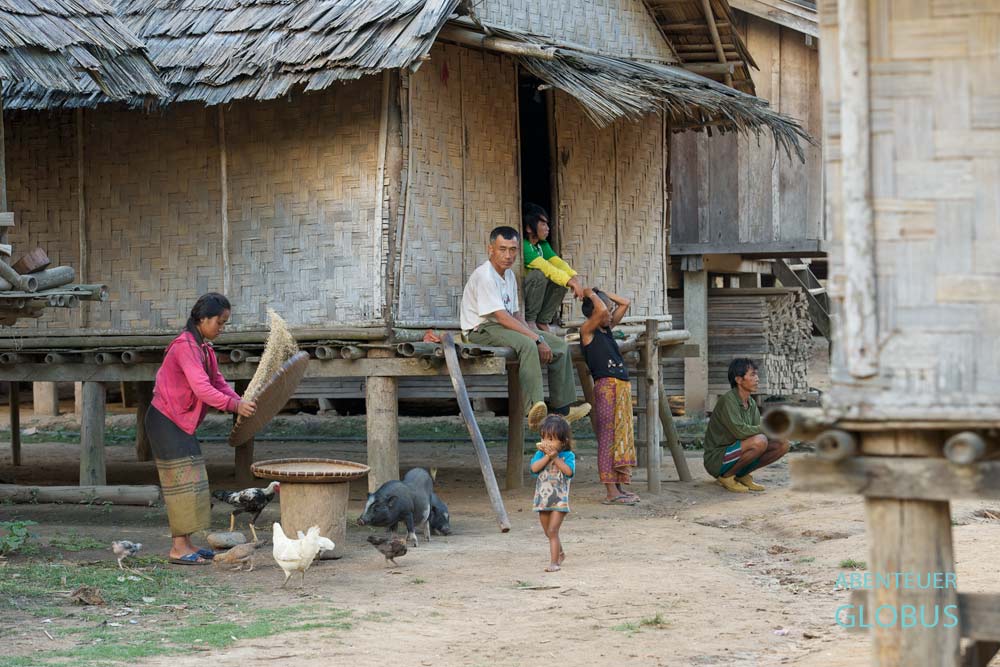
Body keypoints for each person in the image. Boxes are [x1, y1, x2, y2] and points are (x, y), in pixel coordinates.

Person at [145, 293, 257, 564]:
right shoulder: (184, 347)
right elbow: (203, 389)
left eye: (225, 323)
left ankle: (187, 544)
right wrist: (234, 406)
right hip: (165, 421)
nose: (222, 328)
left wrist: (239, 401)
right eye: (220, 322)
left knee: (193, 482)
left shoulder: (203, 348)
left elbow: (217, 381)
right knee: (181, 483)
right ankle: (177, 549)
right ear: (203, 319)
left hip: (177, 422)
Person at [461, 225, 590, 430]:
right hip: (481, 331)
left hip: (503, 327)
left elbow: (514, 314)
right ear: (490, 249)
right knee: (528, 345)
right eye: (502, 249)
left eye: (513, 250)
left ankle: (562, 411)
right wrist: (535, 338)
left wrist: (538, 335)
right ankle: (534, 411)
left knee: (558, 345)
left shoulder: (509, 276)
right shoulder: (485, 276)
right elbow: (502, 318)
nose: (508, 255)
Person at [580, 287, 639, 505]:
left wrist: (600, 292)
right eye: (605, 311)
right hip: (606, 388)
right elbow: (602, 311)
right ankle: (611, 492)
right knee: (607, 439)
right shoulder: (587, 330)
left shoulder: (607, 329)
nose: (609, 314)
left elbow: (625, 301)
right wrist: (592, 295)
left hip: (621, 387)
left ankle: (619, 488)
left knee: (620, 438)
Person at [703, 358, 789, 493]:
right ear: (738, 380)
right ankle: (726, 477)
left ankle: (741, 475)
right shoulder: (728, 401)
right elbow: (741, 432)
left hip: (736, 451)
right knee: (760, 441)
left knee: (782, 444)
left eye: (756, 375)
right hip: (717, 459)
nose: (757, 379)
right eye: (752, 375)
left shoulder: (751, 403)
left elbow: (755, 430)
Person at [522, 204, 585, 331]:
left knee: (562, 280)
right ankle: (530, 320)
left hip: (537, 293)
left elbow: (558, 263)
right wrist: (569, 281)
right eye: (543, 224)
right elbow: (546, 267)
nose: (548, 228)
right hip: (524, 292)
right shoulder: (524, 245)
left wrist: (573, 277)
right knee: (539, 274)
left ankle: (542, 320)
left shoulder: (542, 245)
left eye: (547, 224)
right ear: (529, 228)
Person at [530, 414, 576, 572]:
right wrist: (547, 457)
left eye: (551, 439)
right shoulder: (539, 455)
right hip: (542, 499)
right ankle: (560, 553)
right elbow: (534, 469)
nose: (546, 442)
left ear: (563, 442)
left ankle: (554, 563)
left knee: (552, 530)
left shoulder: (568, 456)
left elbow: (568, 472)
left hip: (559, 500)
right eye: (544, 438)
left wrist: (556, 458)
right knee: (547, 531)